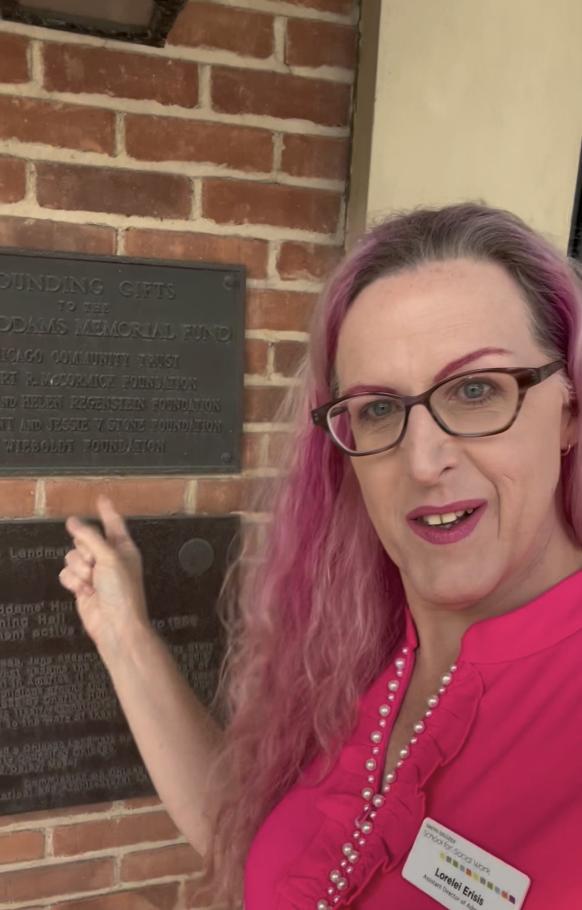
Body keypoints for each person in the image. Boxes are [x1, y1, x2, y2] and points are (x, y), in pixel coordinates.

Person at [60, 202, 582, 909]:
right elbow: (254, 843)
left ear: (569, 413)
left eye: (476, 390)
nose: (424, 461)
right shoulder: (357, 649)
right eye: (376, 408)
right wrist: (122, 632)